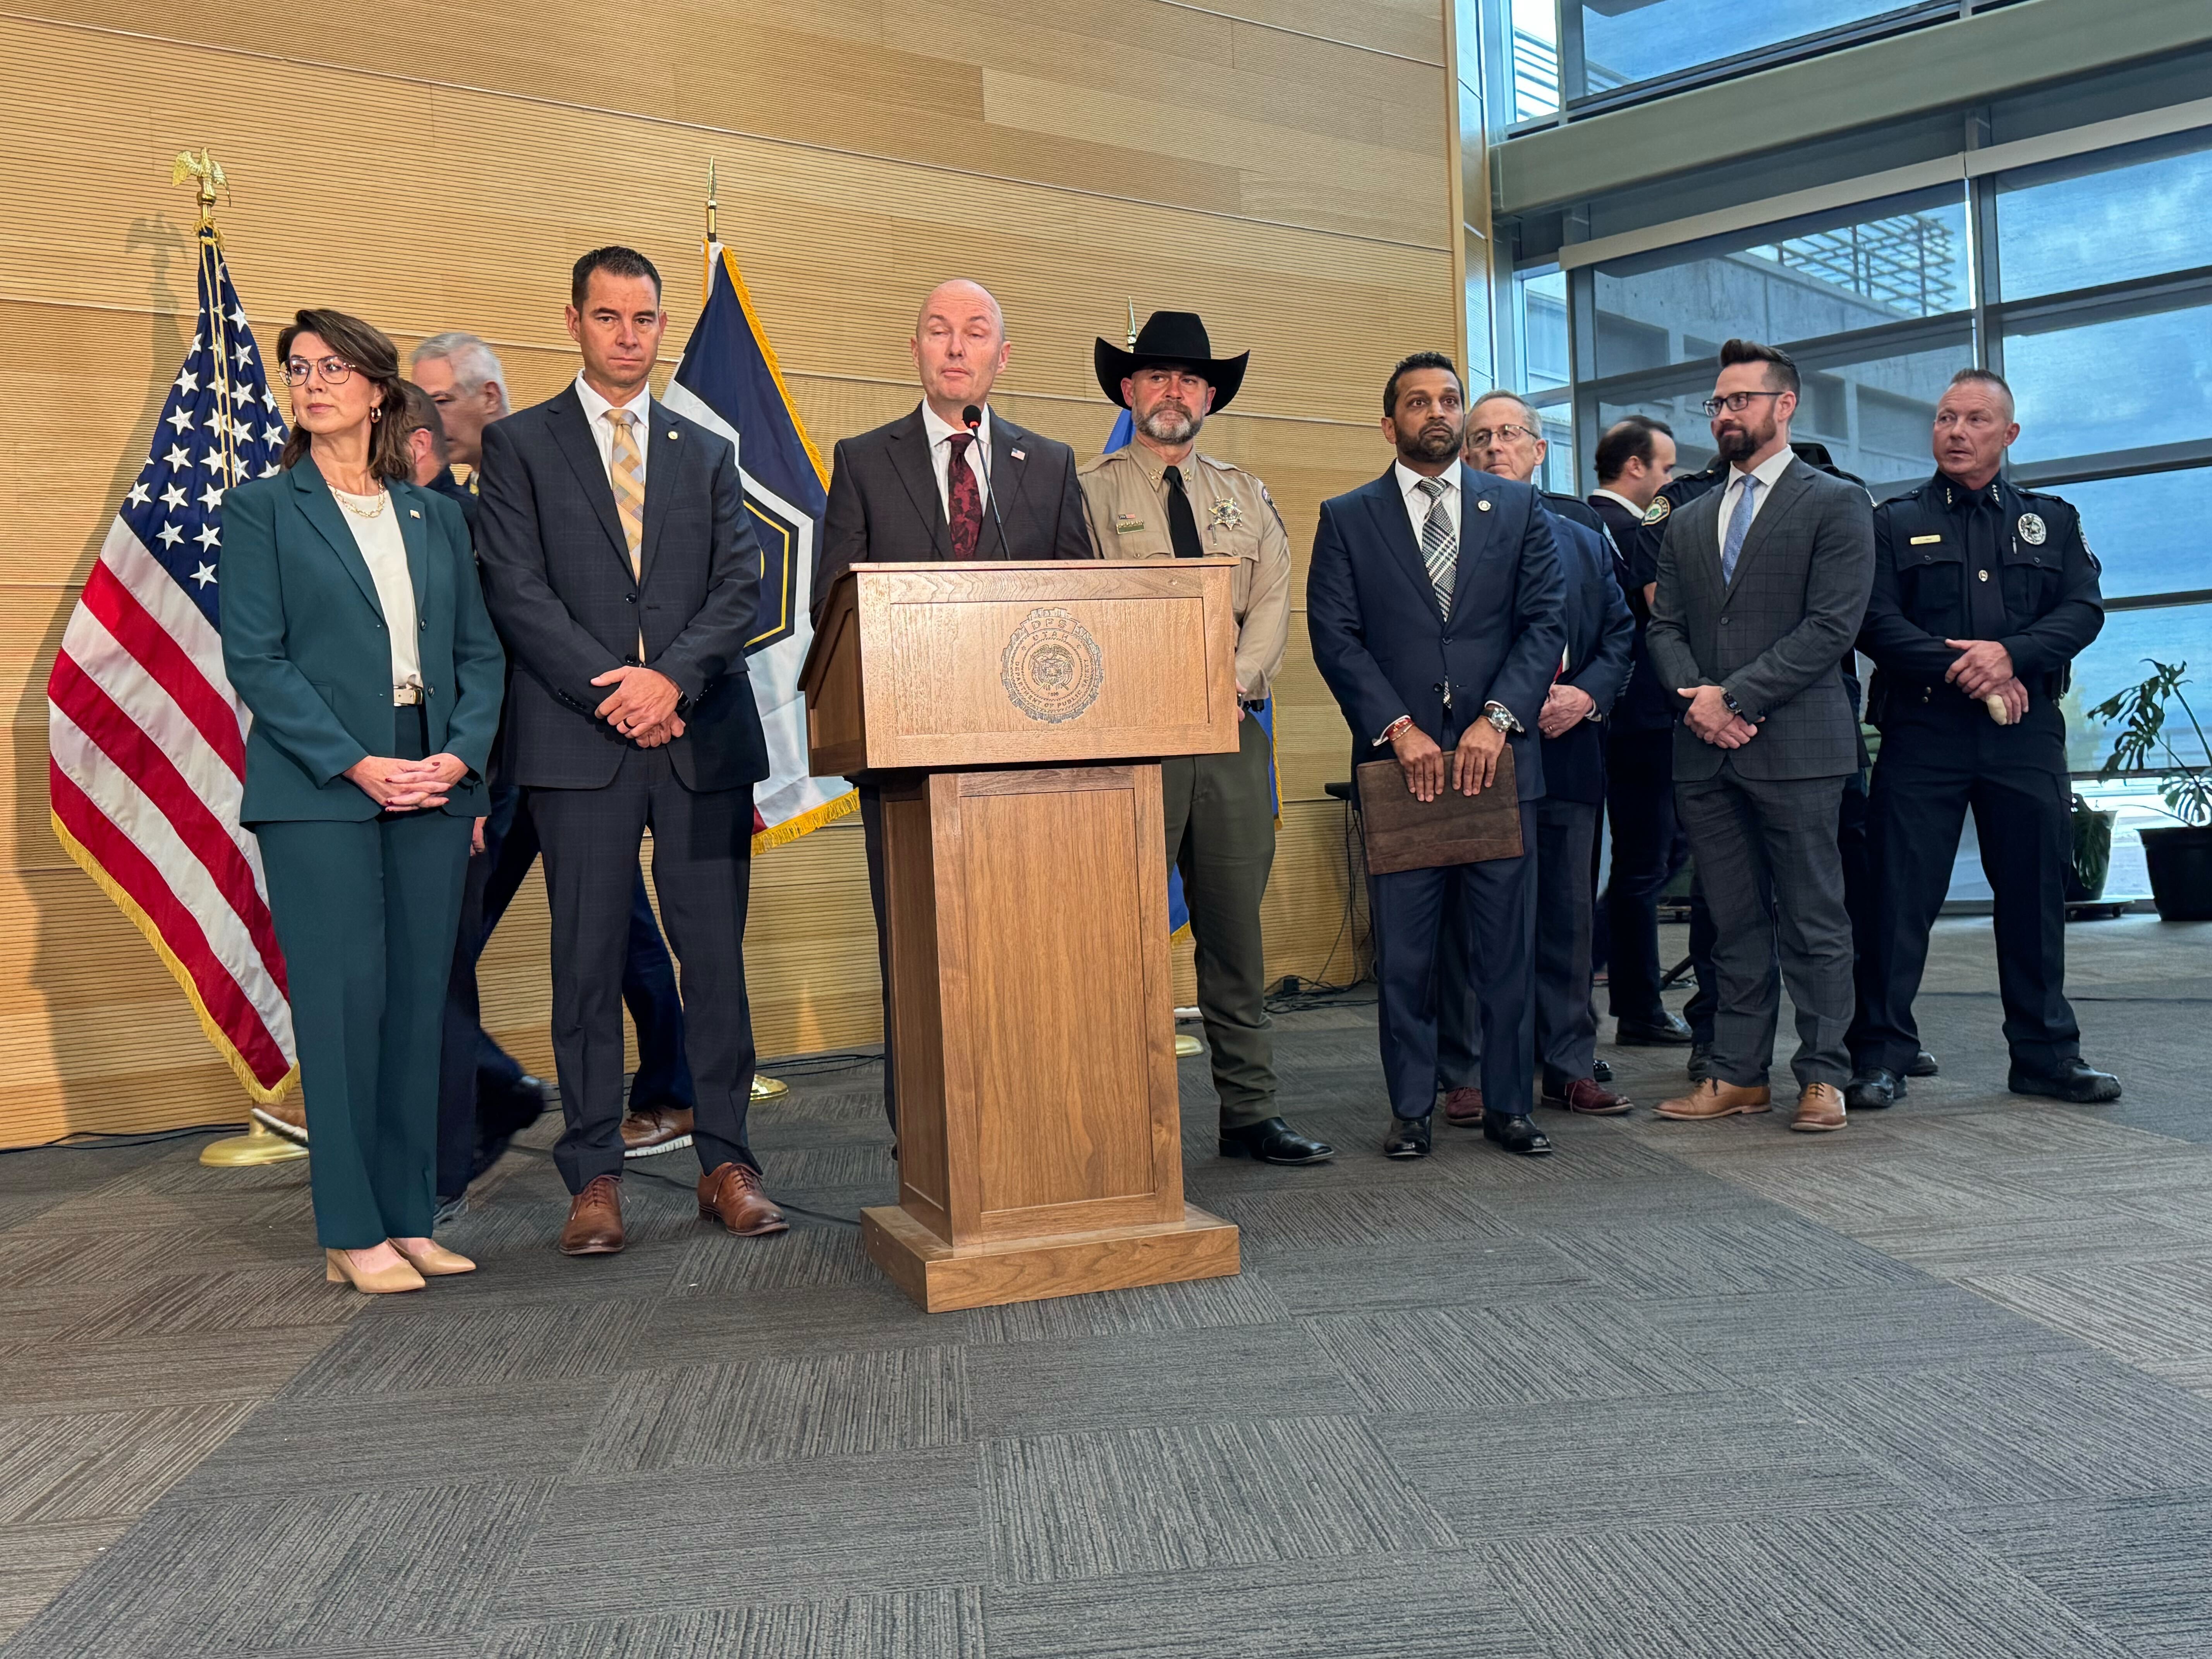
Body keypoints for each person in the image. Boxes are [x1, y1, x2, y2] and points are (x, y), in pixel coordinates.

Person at [476, 246, 782, 1255]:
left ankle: (726, 1160)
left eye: (644, 318)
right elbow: (518, 591)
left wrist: (670, 681)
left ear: (661, 325)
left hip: (699, 737)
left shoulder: (708, 447)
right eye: (607, 317)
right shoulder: (521, 446)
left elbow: (740, 587)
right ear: (572, 321)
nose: (627, 335)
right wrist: (618, 690)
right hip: (580, 742)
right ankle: (595, 1174)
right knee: (587, 960)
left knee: (716, 967)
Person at [220, 309, 505, 1292]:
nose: (311, 383)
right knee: (343, 1012)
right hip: (319, 795)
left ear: (378, 390)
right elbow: (256, 659)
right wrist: (356, 763)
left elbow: (477, 654)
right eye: (298, 369)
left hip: (429, 782)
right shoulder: (263, 508)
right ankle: (350, 1228)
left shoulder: (433, 513)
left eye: (332, 367)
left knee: (418, 1008)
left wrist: (459, 760)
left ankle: (406, 1216)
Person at [815, 279, 1092, 1131]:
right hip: (907, 761)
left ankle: (1031, 1116)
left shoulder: (1047, 465)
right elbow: (839, 606)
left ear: (1003, 358)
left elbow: (1078, 608)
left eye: (976, 333)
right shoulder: (864, 460)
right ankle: (925, 1132)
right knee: (921, 953)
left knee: (1026, 952)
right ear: (916, 352)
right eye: (939, 331)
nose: (957, 347)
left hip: (1030, 763)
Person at [1078, 311, 1331, 1166]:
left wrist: (1230, 684)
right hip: (1131, 740)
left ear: (1210, 396)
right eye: (1156, 377)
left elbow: (1270, 605)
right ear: (1128, 391)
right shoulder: (1086, 492)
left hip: (1229, 733)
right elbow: (1076, 611)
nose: (1172, 391)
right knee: (1120, 938)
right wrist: (1152, 694)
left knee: (1235, 936)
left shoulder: (1246, 494)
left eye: (1189, 379)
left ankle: (1250, 1113)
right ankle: (1120, 1118)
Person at [1307, 352, 1565, 1159]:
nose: (1438, 412)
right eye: (1418, 402)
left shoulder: (1519, 509)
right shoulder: (1349, 516)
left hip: (1497, 765)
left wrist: (1497, 720)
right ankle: (1412, 1108)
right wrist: (1399, 728)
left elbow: (1544, 624)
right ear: (1390, 425)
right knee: (1410, 956)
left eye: (1448, 398)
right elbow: (1336, 636)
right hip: (1403, 770)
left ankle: (1509, 1105)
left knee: (1505, 950)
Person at [1848, 368, 2120, 1108]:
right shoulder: (1891, 519)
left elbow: (2083, 610)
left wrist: (2013, 655)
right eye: (1944, 418)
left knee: (2033, 895)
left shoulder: (2051, 520)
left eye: (1974, 419)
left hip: (2023, 733)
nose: (1956, 431)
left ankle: (2043, 1054)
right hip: (1923, 729)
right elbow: (1874, 620)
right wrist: (1969, 665)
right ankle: (1880, 1054)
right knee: (1897, 898)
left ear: (2008, 433)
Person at [1645, 340, 1875, 1134]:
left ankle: (1823, 1075)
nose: (1724, 414)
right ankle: (1738, 1074)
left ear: (1785, 405)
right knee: (1732, 921)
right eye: (1716, 403)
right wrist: (1699, 705)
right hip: (1705, 752)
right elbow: (1664, 627)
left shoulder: (1836, 501)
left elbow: (1832, 627)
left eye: (1739, 400)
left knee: (1816, 919)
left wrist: (1736, 696)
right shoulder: (1689, 516)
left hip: (1800, 747)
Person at [1438, 393, 1634, 1123]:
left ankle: (1568, 1064)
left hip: (1568, 749)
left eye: (1509, 435)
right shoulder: (1447, 541)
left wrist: (1585, 695)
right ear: (1463, 455)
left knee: (1567, 915)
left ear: (1538, 450)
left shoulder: (1582, 539)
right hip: (1480, 755)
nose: (1494, 448)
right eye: (1479, 438)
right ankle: (1468, 1070)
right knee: (1474, 920)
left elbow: (1620, 635)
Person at [1589, 416, 1694, 1048]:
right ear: (1635, 468)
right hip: (1643, 722)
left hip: (1620, 722)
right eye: (1665, 466)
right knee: (1645, 865)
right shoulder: (1633, 531)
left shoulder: (1591, 522)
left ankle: (1617, 979)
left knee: (1650, 859)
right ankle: (1637, 1004)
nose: (1672, 479)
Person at [410, 331, 509, 481]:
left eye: (442, 401)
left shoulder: (546, 485)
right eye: (421, 406)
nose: (425, 422)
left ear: (491, 398)